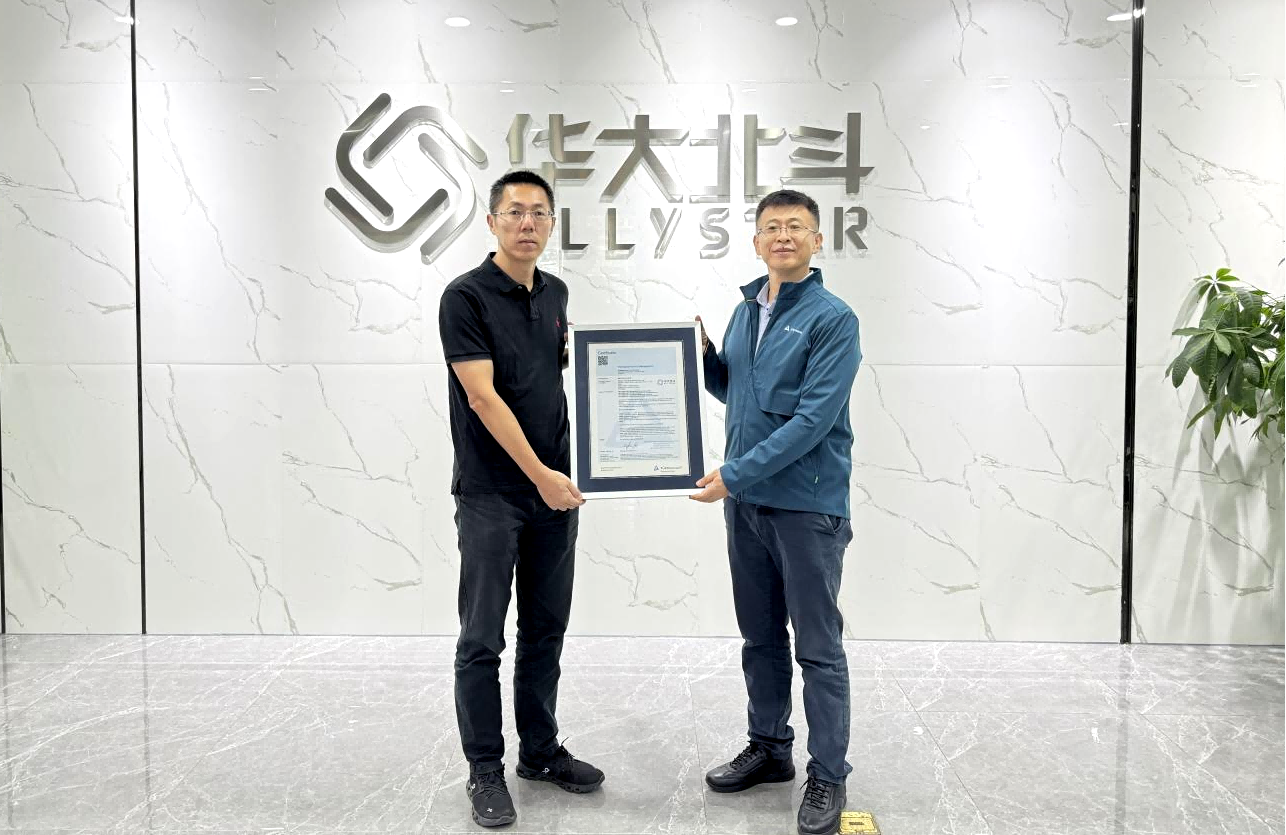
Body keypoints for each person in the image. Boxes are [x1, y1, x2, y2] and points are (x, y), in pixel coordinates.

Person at [691, 188, 862, 835]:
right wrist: (699, 358)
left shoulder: (833, 319)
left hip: (805, 506)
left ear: (817, 240)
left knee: (817, 647)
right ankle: (770, 747)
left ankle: (829, 773)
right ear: (757, 241)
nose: (783, 236)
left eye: (796, 226)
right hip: (747, 506)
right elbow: (736, 389)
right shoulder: (745, 313)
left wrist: (732, 474)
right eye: (772, 227)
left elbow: (814, 420)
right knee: (760, 637)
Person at [438, 169, 604, 829]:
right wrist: (539, 474)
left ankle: (539, 751)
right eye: (514, 212)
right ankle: (485, 766)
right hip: (492, 493)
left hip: (553, 491)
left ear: (552, 223)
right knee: (482, 637)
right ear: (492, 222)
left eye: (539, 212)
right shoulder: (464, 297)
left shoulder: (556, 292)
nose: (527, 222)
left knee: (545, 628)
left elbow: (551, 378)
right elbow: (482, 397)